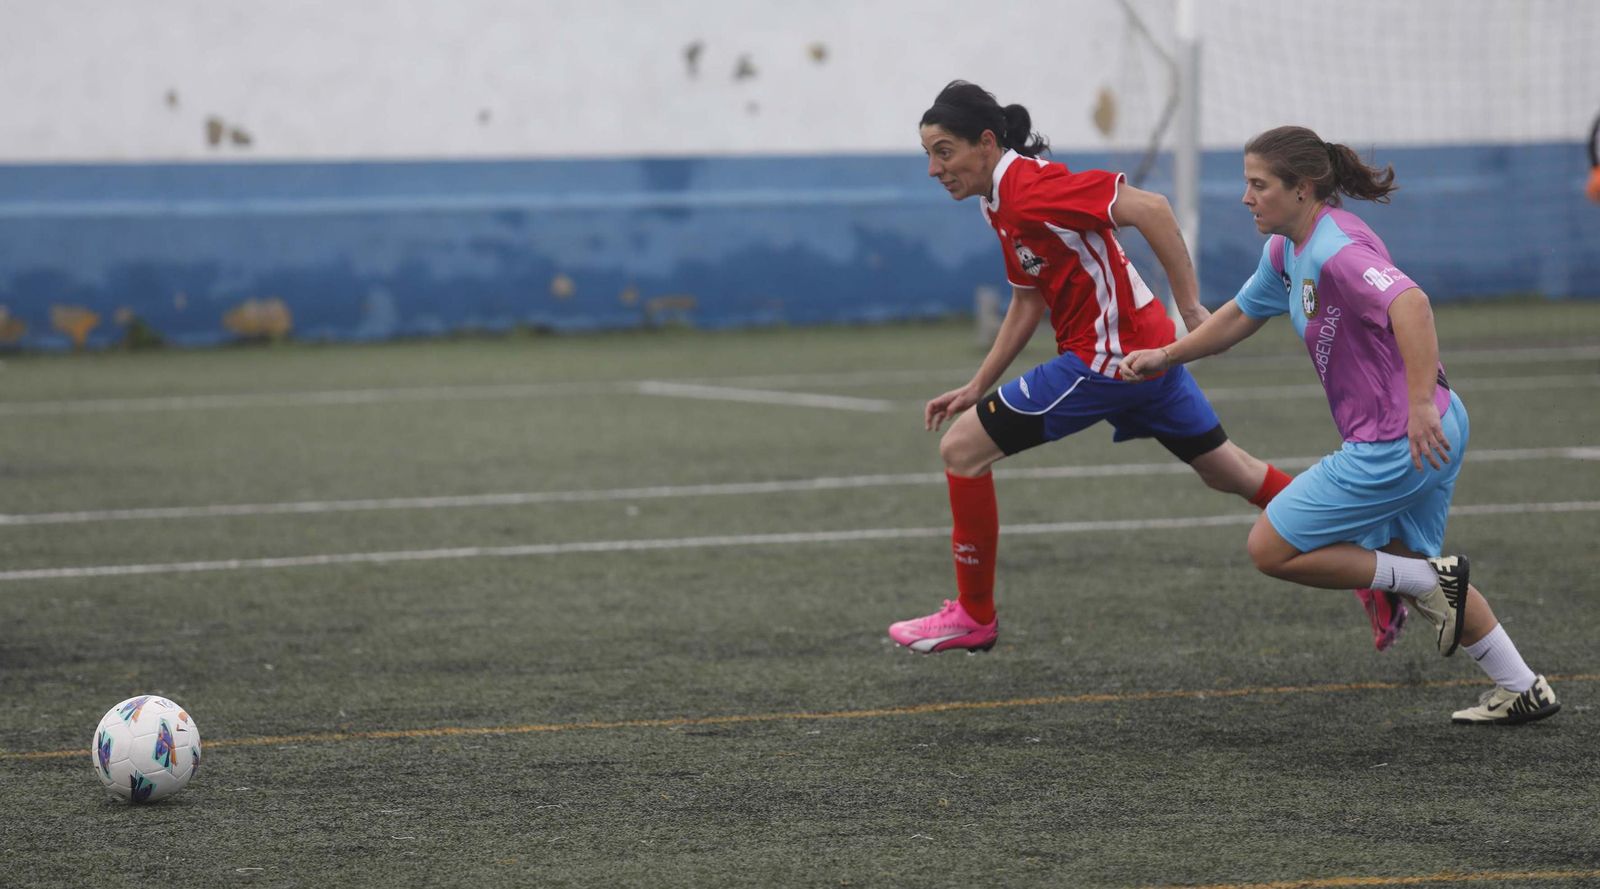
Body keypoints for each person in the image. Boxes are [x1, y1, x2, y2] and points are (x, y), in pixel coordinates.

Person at [887, 81, 1400, 656]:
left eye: (944, 151)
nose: (934, 168)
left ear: (985, 143)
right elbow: (1028, 298)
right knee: (1231, 472)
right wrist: (977, 384)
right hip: (1141, 352)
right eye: (929, 154)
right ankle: (1374, 568)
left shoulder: (1030, 186)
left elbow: (1151, 209)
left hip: (1107, 359)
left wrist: (1190, 307)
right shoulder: (997, 200)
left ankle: (974, 616)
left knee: (962, 451)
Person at [1121, 126, 1560, 725]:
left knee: (1271, 547)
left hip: (1400, 440)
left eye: (1258, 185)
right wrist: (1168, 355)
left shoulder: (1335, 251)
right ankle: (1522, 686)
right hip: (1424, 432)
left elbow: (1412, 304)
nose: (1246, 198)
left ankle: (1425, 583)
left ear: (1302, 189)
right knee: (1412, 561)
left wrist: (1419, 405)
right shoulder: (1285, 250)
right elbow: (1240, 314)